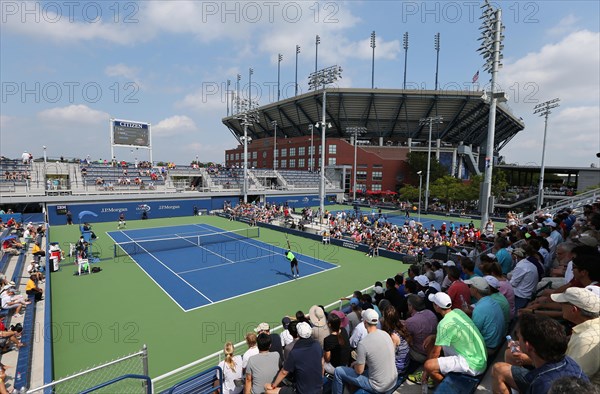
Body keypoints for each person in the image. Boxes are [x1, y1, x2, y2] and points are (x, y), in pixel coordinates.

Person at [492, 313, 589, 394]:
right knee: (499, 369)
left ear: (528, 345)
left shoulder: (542, 385)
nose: (517, 339)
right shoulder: (567, 361)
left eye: (519, 337)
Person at [416, 292, 487, 386]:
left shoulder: (443, 324)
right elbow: (449, 331)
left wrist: (426, 372)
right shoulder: (458, 311)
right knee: (434, 342)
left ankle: (448, 385)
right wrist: (433, 337)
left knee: (428, 365)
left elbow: (435, 353)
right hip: (480, 358)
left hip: (473, 364)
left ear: (437, 306)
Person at [333, 309, 398, 394]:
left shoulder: (363, 344)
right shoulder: (385, 334)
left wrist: (356, 364)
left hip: (379, 387)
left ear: (364, 323)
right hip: (393, 380)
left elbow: (359, 371)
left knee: (338, 371)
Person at [550, 287, 600, 387]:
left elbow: (571, 380)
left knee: (509, 370)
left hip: (577, 387)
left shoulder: (585, 339)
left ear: (574, 309)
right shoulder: (590, 328)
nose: (561, 306)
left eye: (563, 303)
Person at [265, 322, 323, 394]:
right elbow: (322, 362)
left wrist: (274, 385)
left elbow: (284, 372)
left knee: (268, 390)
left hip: (302, 391)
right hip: (318, 388)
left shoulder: (295, 352)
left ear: (298, 334)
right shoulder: (317, 345)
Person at [464, 277, 505, 352]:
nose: (469, 289)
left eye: (470, 287)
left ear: (475, 290)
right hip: (496, 341)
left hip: (489, 346)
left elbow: (473, 333)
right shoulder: (492, 301)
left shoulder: (479, 309)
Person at [403, 294, 438, 364]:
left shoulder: (410, 321)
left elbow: (407, 338)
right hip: (433, 349)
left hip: (421, 353)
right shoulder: (430, 313)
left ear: (411, 306)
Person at [380, 305, 411, 378]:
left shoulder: (393, 336)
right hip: (405, 362)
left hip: (399, 368)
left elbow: (390, 355)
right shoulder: (402, 325)